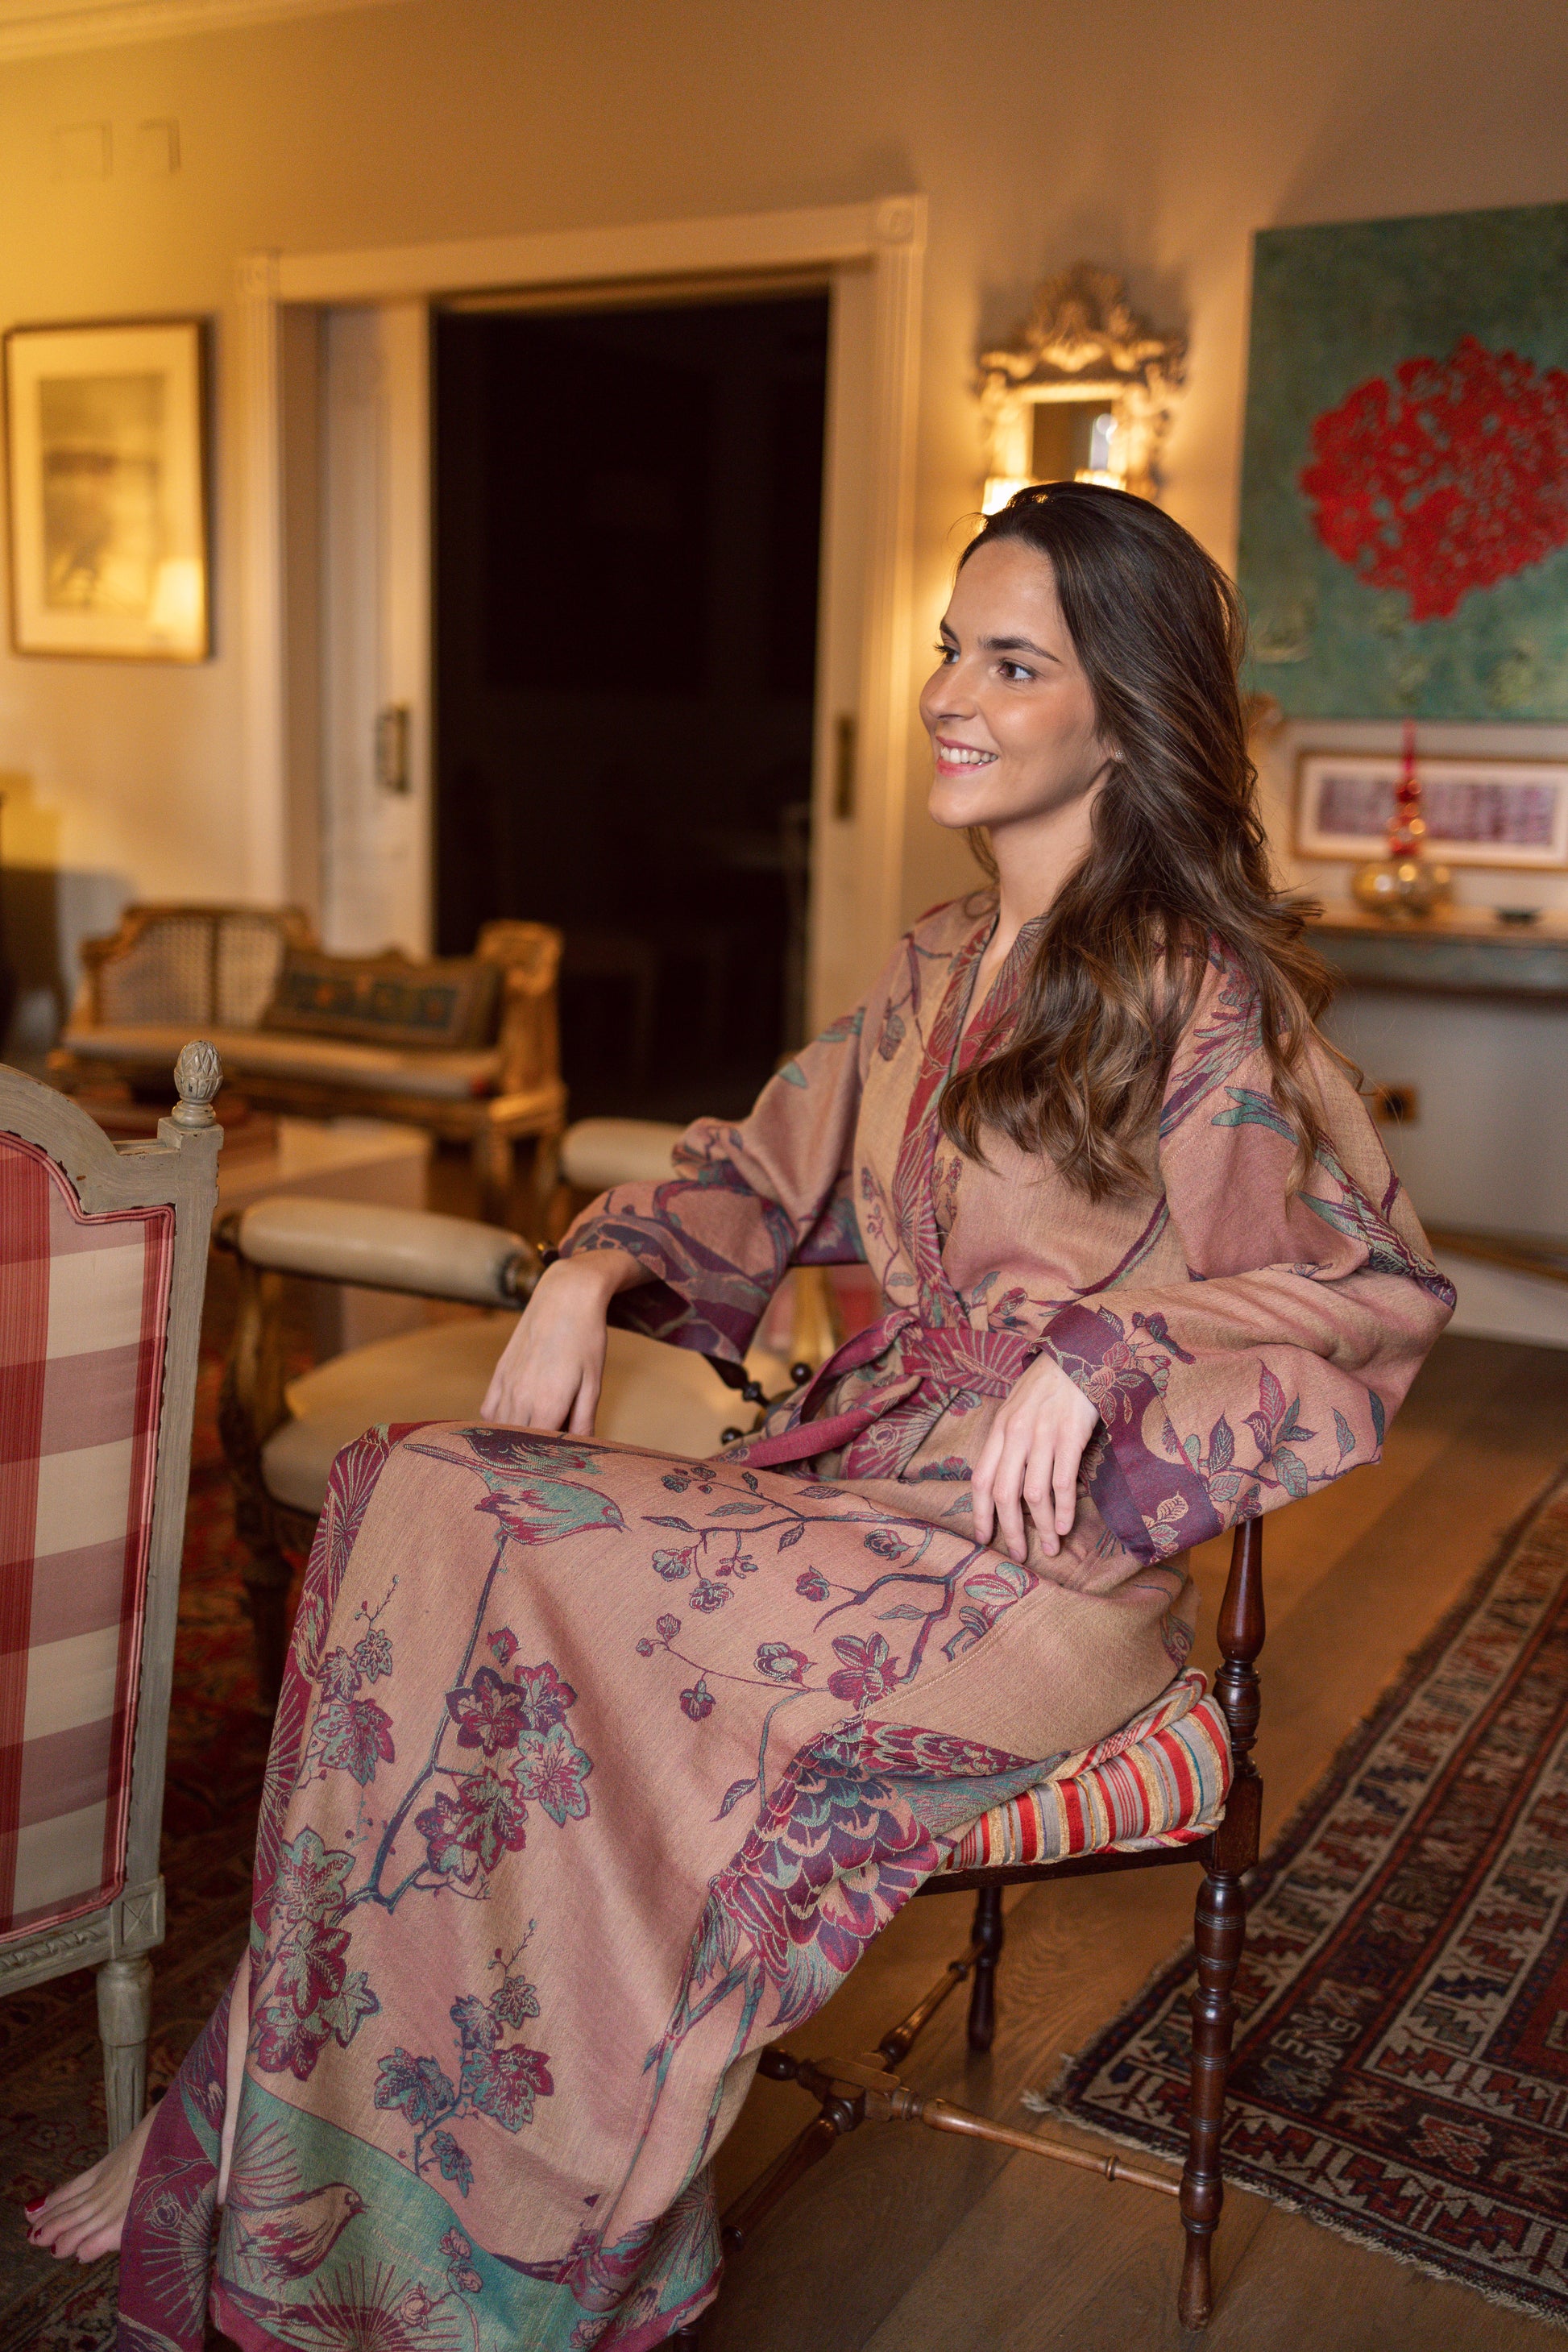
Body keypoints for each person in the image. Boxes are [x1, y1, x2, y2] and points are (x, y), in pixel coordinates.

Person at [31, 482, 1453, 2349]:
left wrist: (1105, 1348)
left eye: (1009, 663)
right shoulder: (936, 962)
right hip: (866, 1493)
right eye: (949, 648)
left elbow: (1370, 1288)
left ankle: (496, 2214)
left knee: (506, 1554)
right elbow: (756, 1164)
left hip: (1034, 1569)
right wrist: (587, 1268)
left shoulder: (1201, 993)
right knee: (426, 1493)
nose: (948, 693)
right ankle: (269, 2109)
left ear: (1124, 715)